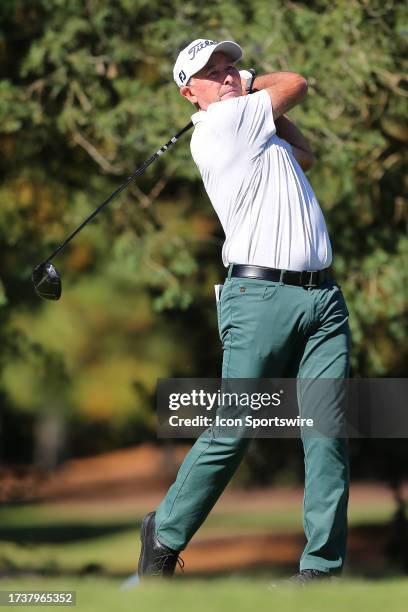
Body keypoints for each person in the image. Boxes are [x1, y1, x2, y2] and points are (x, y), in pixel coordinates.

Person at [137, 38, 350, 584]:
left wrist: (249, 93)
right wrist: (253, 82)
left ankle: (321, 570)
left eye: (230, 64)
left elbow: (302, 153)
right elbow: (297, 83)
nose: (228, 74)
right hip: (259, 300)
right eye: (214, 72)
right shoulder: (221, 127)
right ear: (191, 93)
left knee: (328, 430)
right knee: (235, 428)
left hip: (322, 298)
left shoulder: (255, 133)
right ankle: (164, 534)